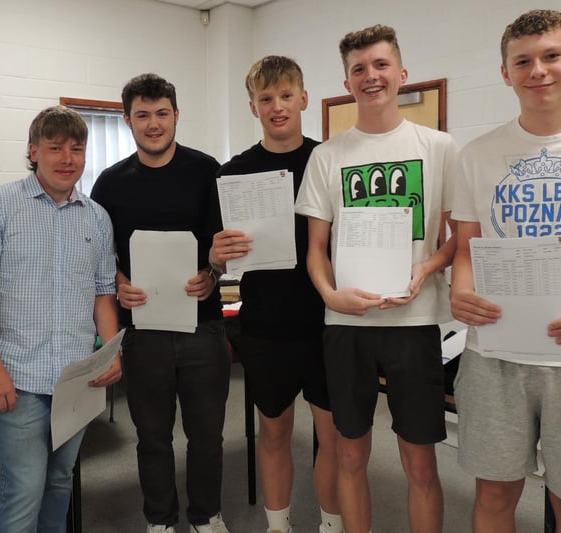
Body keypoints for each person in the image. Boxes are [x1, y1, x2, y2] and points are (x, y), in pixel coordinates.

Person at [450, 9, 561, 533]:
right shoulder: (479, 155)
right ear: (505, 73)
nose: (539, 71)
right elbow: (466, 248)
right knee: (492, 495)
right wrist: (462, 290)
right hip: (497, 351)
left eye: (551, 56)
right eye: (522, 61)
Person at [295, 25, 458, 533]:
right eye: (359, 69)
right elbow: (315, 251)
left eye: (381, 65)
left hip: (416, 323)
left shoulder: (439, 148)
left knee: (421, 463)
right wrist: (329, 294)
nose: (371, 77)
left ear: (401, 74)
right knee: (349, 454)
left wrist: (427, 267)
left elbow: (460, 238)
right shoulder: (327, 156)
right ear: (348, 81)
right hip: (347, 326)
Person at [0, 105, 121, 532]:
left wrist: (109, 352)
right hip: (18, 378)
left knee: (60, 482)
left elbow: (103, 292)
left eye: (77, 149)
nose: (67, 159)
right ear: (34, 152)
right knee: (24, 489)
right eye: (55, 148)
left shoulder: (97, 218)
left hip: (76, 378)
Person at [90, 73, 230, 533]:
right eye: (143, 115)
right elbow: (97, 254)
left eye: (162, 113)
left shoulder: (208, 171)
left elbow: (223, 249)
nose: (154, 124)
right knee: (152, 439)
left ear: (176, 115)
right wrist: (117, 280)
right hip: (142, 331)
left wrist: (212, 275)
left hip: (203, 328)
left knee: (207, 437)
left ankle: (206, 516)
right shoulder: (110, 184)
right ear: (127, 120)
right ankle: (161, 521)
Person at [208, 56, 341, 533]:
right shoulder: (233, 173)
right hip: (266, 326)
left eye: (286, 96)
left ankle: (331, 524)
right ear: (253, 107)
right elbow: (218, 262)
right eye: (267, 99)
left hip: (330, 325)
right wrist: (217, 255)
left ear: (304, 99)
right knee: (274, 433)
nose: (278, 106)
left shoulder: (330, 160)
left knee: (332, 439)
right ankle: (278, 525)